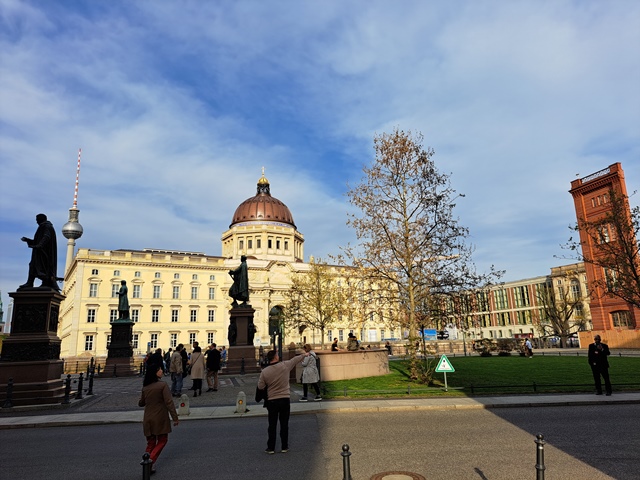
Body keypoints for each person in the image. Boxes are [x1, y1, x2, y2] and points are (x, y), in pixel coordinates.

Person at [257, 348, 308, 454]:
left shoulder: (265, 372)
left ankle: (271, 447)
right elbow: (295, 359)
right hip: (285, 399)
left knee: (272, 425)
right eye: (277, 355)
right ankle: (284, 446)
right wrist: (304, 355)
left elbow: (260, 386)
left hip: (272, 401)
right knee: (284, 424)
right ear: (276, 357)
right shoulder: (285, 365)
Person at [138, 363, 179, 474]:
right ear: (155, 373)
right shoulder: (162, 385)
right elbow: (169, 402)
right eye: (160, 369)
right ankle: (150, 461)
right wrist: (175, 417)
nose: (161, 371)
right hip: (160, 418)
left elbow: (141, 403)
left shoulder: (145, 387)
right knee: (162, 440)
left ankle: (147, 462)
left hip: (148, 418)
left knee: (151, 443)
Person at [19, 213, 59, 291]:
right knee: (34, 266)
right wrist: (28, 240)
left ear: (41, 219)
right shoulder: (44, 226)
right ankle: (31, 282)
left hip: (44, 253)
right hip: (40, 252)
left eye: (37, 219)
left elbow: (46, 237)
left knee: (39, 266)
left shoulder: (46, 226)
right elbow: (40, 240)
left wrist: (39, 245)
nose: (36, 221)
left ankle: (39, 282)